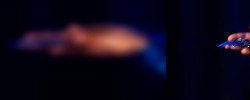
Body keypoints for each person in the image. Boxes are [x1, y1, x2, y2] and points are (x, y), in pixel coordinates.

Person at [14, 22, 166, 77]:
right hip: (145, 49)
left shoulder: (74, 32)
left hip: (147, 42)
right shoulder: (64, 47)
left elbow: (111, 30)